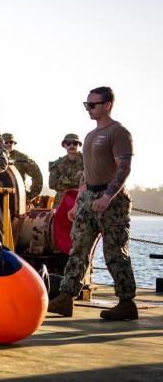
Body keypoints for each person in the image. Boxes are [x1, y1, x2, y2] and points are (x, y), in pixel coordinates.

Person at [48, 86, 138, 320]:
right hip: (88, 199)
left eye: (92, 105)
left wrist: (108, 197)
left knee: (115, 251)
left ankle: (126, 302)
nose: (88, 108)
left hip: (112, 200)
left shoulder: (118, 132)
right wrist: (78, 203)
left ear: (107, 105)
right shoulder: (88, 136)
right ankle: (66, 298)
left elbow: (124, 168)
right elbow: (86, 174)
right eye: (86, 104)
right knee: (78, 248)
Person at [2, 133, 44, 202]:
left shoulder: (22, 158)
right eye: (6, 142)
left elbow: (37, 175)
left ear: (14, 143)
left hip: (17, 197)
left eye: (11, 142)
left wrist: (31, 195)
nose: (8, 144)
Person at [49, 133, 84, 208]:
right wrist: (77, 178)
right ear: (64, 145)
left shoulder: (88, 161)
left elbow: (91, 182)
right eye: (68, 143)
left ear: (79, 145)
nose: (71, 146)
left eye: (75, 143)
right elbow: (52, 184)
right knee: (56, 219)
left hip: (82, 200)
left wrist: (62, 179)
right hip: (62, 200)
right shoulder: (58, 164)